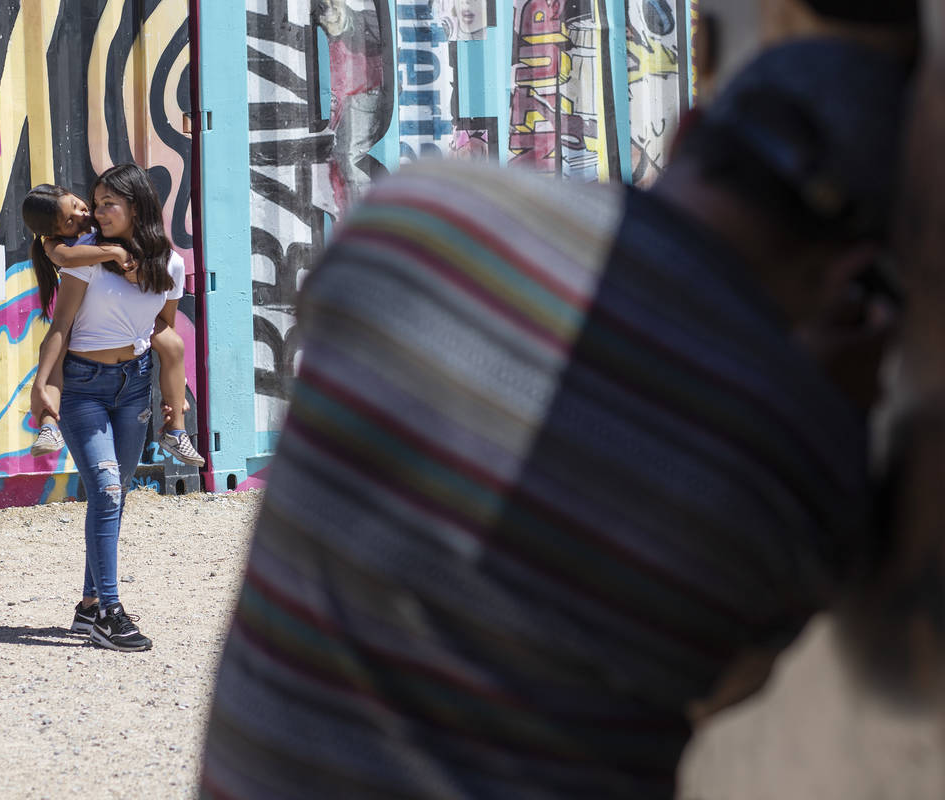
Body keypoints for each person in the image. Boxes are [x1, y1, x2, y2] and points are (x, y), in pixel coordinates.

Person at [199, 38, 914, 798]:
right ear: (849, 269)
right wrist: (830, 400)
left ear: (687, 131)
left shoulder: (415, 219)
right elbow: (726, 688)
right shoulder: (796, 456)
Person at [31, 164, 189, 652]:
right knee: (106, 489)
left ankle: (88, 607)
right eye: (94, 204)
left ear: (136, 207)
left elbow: (161, 329)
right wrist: (42, 386)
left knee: (113, 497)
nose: (95, 213)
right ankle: (111, 613)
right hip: (83, 386)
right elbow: (60, 327)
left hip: (134, 387)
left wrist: (172, 400)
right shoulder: (84, 259)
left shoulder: (171, 265)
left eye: (106, 204)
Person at [20, 184, 203, 468]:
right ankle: (47, 424)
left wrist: (178, 384)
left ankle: (176, 428)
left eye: (79, 206)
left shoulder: (106, 226)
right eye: (70, 220)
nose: (83, 215)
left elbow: (165, 318)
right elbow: (66, 259)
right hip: (87, 319)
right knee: (58, 351)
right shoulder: (58, 245)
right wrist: (115, 253)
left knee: (173, 344)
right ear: (53, 231)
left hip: (128, 319)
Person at [314, 0, 387, 215]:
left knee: (350, 157)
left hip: (367, 99)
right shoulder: (314, 35)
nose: (329, 9)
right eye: (321, 5)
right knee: (341, 161)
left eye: (333, 1)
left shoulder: (367, 25)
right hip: (341, 116)